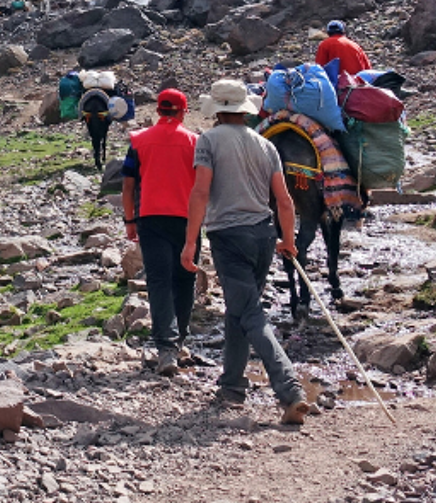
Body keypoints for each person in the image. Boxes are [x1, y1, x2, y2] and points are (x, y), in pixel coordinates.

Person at [180, 78, 311, 424]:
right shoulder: (265, 145)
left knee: (250, 312)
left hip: (228, 235)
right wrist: (288, 239)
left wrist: (191, 242)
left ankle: (290, 389)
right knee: (239, 308)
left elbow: (200, 193)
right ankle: (232, 386)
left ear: (217, 111)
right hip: (264, 235)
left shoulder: (208, 140)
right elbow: (284, 200)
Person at [119, 88, 199, 375]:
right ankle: (180, 341)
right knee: (185, 278)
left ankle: (166, 348)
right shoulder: (195, 142)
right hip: (187, 220)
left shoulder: (139, 141)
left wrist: (129, 221)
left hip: (150, 219)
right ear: (183, 111)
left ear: (158, 110)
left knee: (159, 282)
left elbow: (128, 187)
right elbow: (204, 187)